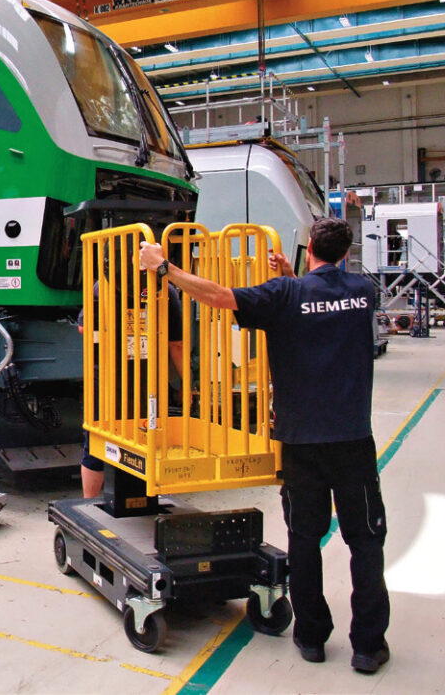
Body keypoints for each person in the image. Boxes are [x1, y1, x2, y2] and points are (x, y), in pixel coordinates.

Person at [139, 218, 390, 675]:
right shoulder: (363, 292)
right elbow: (327, 304)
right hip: (353, 441)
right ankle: (368, 647)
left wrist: (165, 268)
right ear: (346, 253)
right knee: (367, 542)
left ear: (308, 246)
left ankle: (312, 639)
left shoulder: (284, 297)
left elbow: (219, 296)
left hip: (300, 444)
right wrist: (295, 281)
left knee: (304, 540)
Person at [79, 279, 185, 498]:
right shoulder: (165, 289)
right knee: (147, 438)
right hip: (149, 379)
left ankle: (89, 504)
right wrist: (188, 383)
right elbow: (177, 344)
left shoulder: (104, 285)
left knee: (96, 443)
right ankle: (145, 496)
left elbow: (83, 328)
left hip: (106, 377)